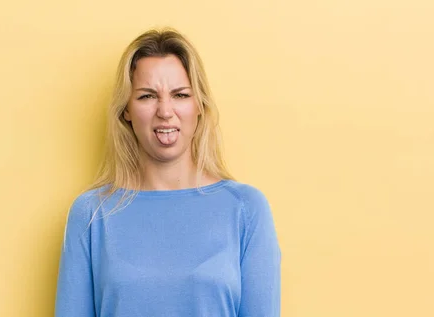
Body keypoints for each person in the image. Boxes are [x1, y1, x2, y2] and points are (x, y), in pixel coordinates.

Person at [55, 27, 281, 317]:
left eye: (180, 95)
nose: (165, 111)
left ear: (199, 105)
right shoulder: (91, 214)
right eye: (148, 96)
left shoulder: (246, 209)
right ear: (126, 109)